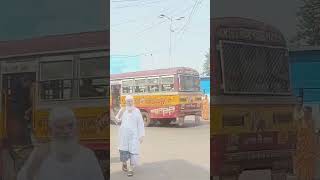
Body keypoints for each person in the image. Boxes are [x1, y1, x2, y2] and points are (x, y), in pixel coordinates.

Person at [17, 106, 104, 180]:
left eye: (70, 125)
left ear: (76, 128)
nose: (66, 131)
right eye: (60, 127)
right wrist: (36, 161)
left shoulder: (87, 155)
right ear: (51, 131)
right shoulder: (39, 153)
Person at [115, 95, 145, 177]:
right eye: (128, 101)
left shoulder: (137, 111)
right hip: (124, 135)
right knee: (123, 151)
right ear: (125, 102)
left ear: (133, 101)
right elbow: (117, 120)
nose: (129, 102)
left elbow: (140, 124)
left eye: (131, 101)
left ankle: (131, 169)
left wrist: (141, 135)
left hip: (134, 136)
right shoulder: (123, 110)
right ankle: (124, 163)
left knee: (133, 151)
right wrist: (120, 112)